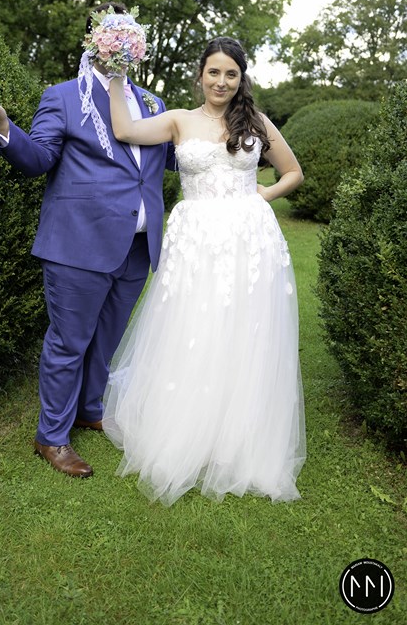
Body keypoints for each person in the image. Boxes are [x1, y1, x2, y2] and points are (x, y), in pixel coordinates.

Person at [0, 2, 175, 478]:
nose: (120, 41)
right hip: (79, 244)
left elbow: (178, 158)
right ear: (93, 41)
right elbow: (38, 159)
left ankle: (89, 409)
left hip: (137, 246)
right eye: (111, 32)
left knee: (108, 339)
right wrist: (1, 122)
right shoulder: (63, 97)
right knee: (69, 342)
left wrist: (228, 134)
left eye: (128, 32)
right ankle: (52, 436)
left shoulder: (153, 104)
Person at [103, 36, 306, 505]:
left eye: (231, 74)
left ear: (241, 79)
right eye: (214, 72)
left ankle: (237, 438)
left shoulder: (255, 122)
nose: (221, 81)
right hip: (195, 239)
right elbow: (125, 130)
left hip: (248, 239)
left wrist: (262, 195)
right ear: (200, 76)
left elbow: (293, 172)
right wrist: (116, 71)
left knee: (243, 329)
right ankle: (186, 427)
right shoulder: (179, 120)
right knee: (193, 326)